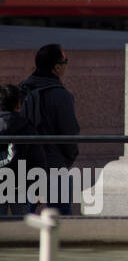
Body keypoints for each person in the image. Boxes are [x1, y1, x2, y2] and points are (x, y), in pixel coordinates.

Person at [19, 44, 80, 215]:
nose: (66, 65)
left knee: (24, 218)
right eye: (65, 61)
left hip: (25, 164)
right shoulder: (62, 96)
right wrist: (69, 158)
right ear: (57, 67)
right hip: (54, 164)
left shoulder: (20, 90)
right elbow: (69, 133)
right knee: (60, 218)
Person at [0, 83, 49, 216]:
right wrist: (38, 189)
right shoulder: (27, 127)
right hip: (20, 185)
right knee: (22, 226)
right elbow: (38, 160)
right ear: (19, 105)